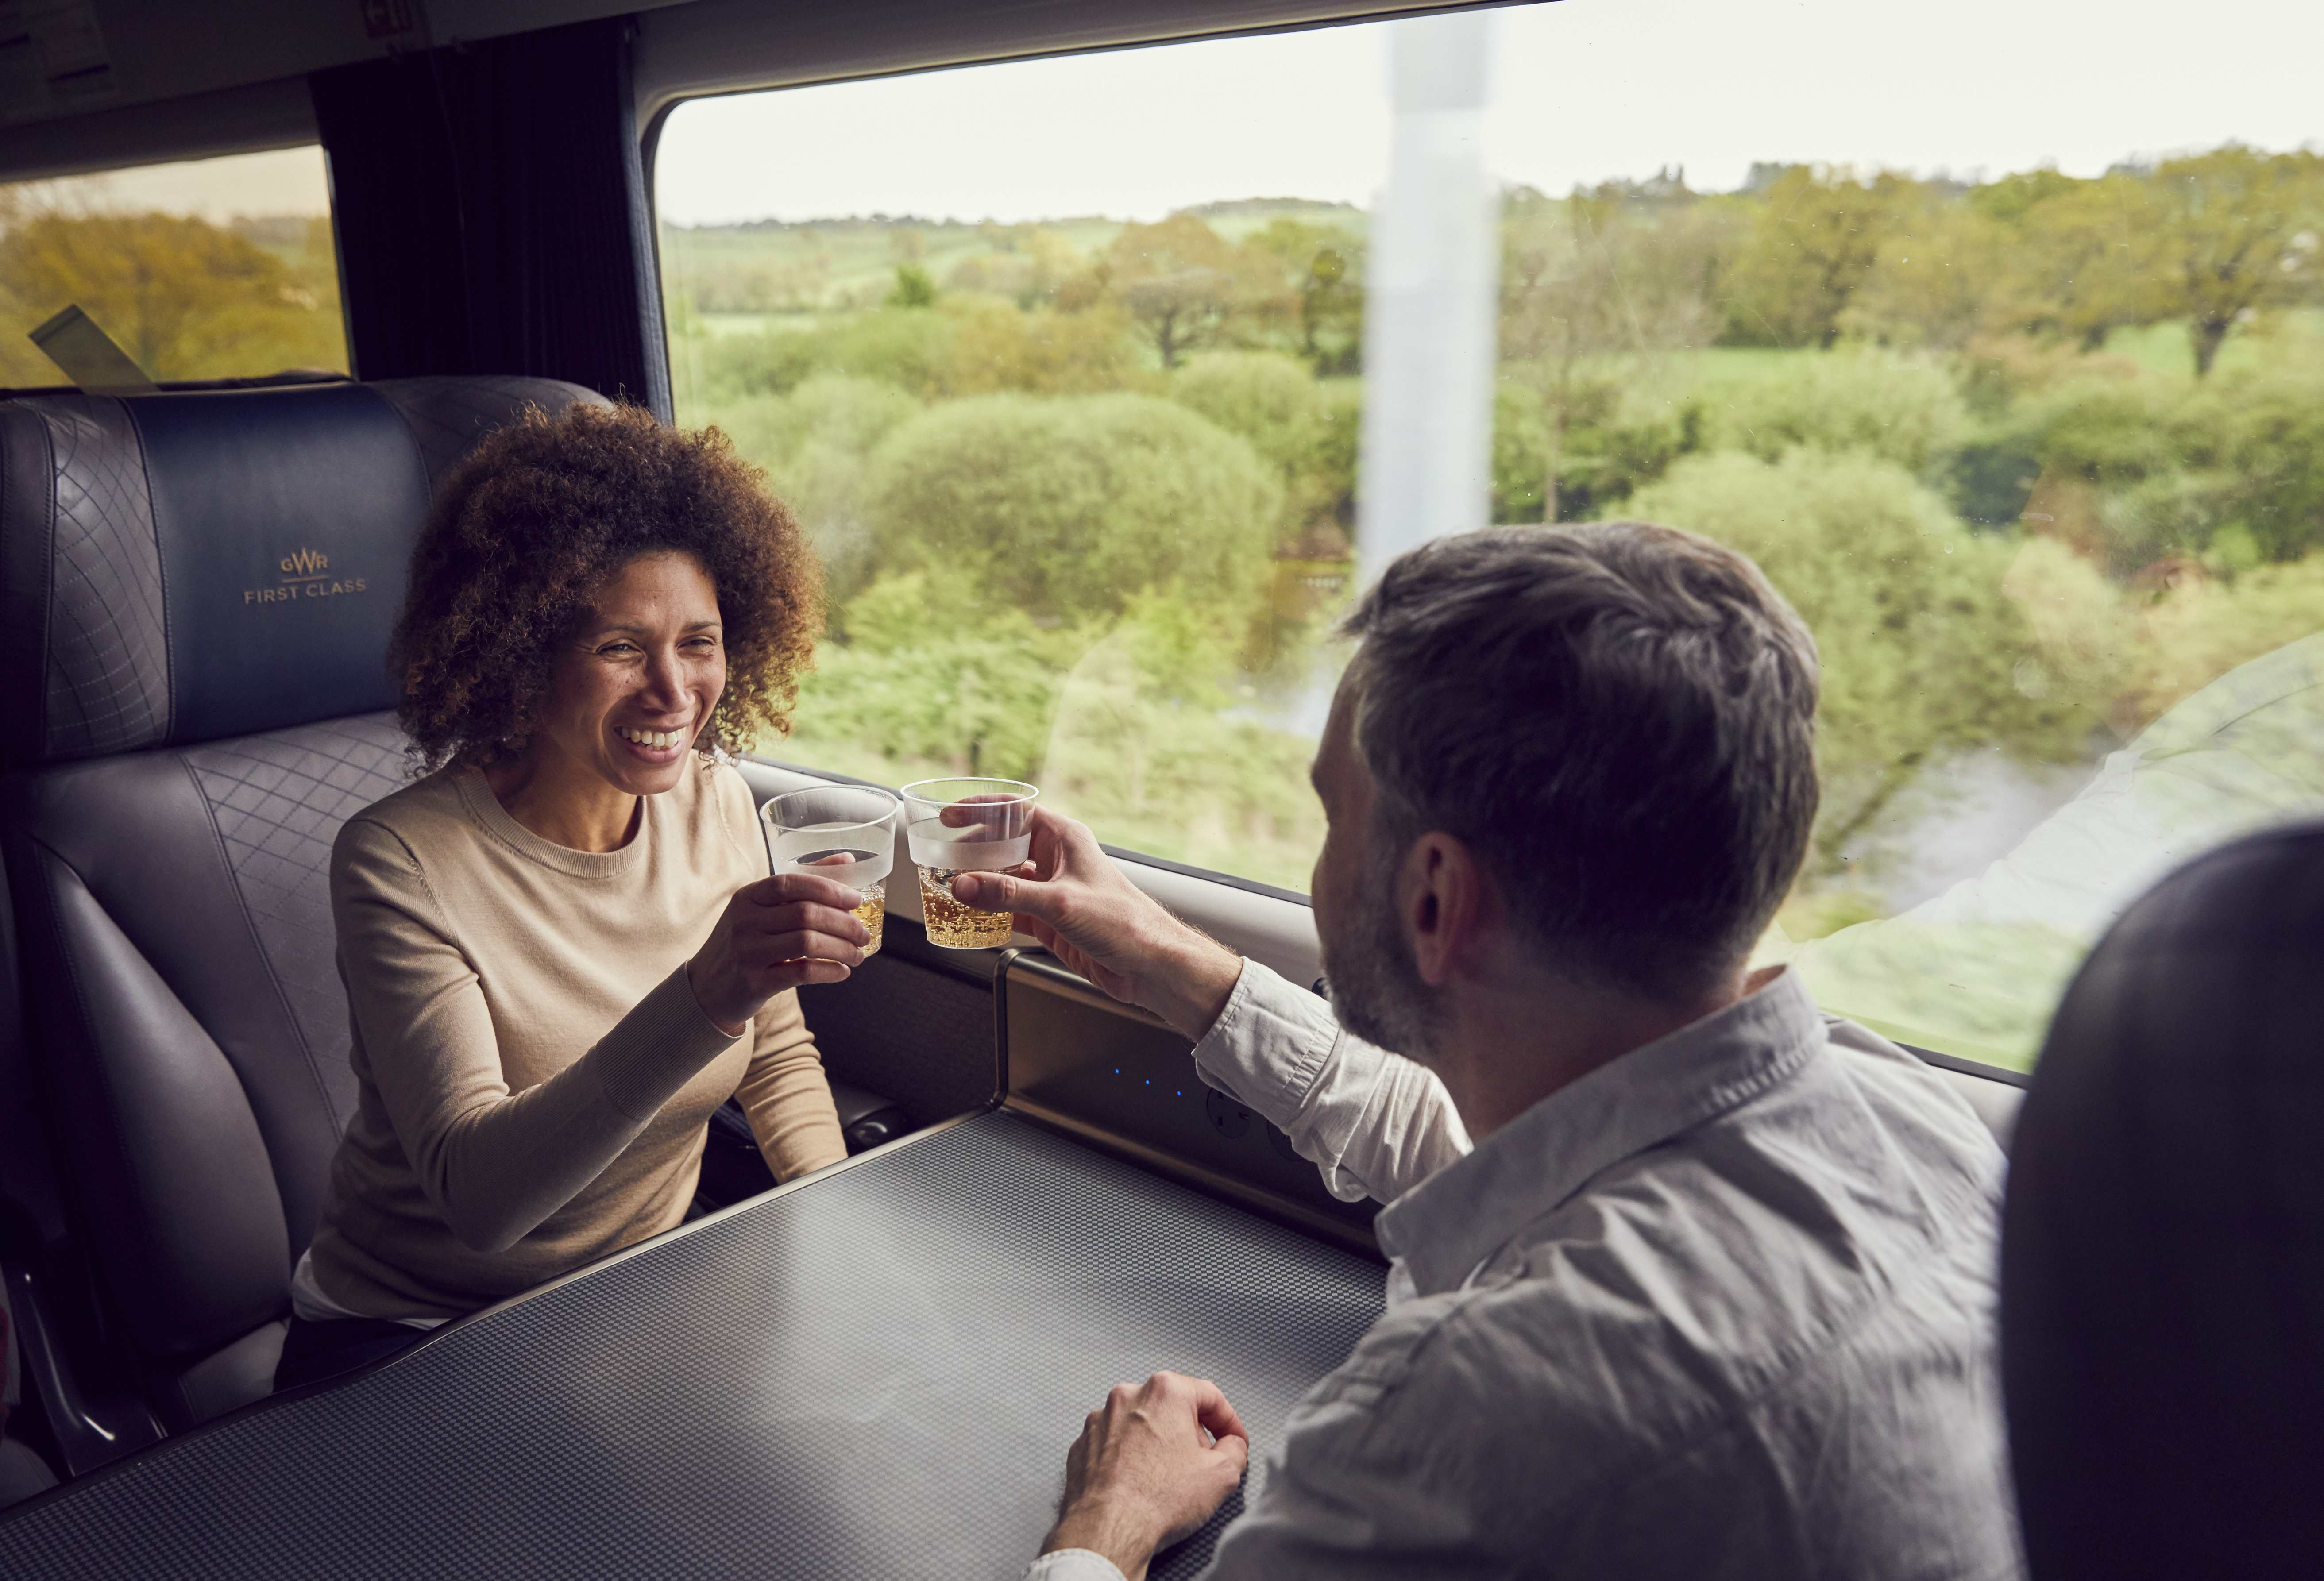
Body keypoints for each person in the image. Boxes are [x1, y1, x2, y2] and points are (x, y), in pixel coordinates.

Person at [976, 522, 2021, 1578]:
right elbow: (1497, 1152)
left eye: (1334, 817)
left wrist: (1105, 1526)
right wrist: (1167, 960)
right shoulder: (1916, 1126)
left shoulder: (1463, 1417)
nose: (1322, 858)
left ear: (1435, 898)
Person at [278, 405, 869, 1392]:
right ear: (519, 655)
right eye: (620, 648)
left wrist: (845, 1224)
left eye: (700, 642)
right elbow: (481, 1200)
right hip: (414, 1337)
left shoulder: (717, 797)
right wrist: (705, 996)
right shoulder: (398, 860)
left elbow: (777, 1057)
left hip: (633, 1301)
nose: (675, 691)